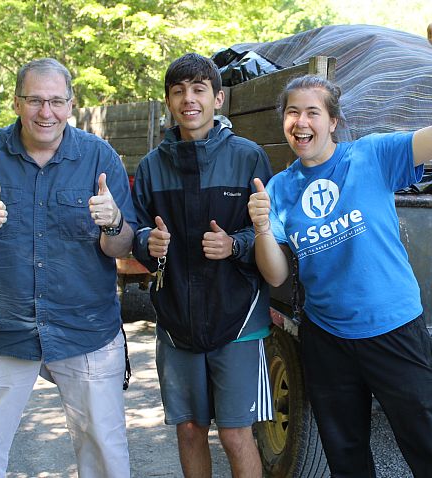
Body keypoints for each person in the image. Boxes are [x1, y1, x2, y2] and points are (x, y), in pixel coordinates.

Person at [247, 21, 432, 478]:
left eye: (312, 112)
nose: (301, 122)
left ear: (332, 121)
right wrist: (263, 229)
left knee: (431, 455)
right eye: (292, 113)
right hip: (327, 340)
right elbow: (274, 276)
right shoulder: (281, 188)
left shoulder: (372, 156)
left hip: (394, 331)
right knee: (346, 460)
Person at [0, 58, 136, 477]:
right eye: (34, 100)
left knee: (106, 454)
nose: (45, 112)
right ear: (16, 102)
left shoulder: (99, 157)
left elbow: (121, 246)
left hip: (87, 330)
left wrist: (114, 221)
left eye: (55, 101)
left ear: (71, 103)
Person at [131, 53, 273, 478]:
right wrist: (148, 243)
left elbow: (270, 231)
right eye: (178, 91)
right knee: (190, 430)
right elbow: (135, 233)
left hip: (239, 318)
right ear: (169, 102)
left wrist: (235, 244)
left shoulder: (249, 157)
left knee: (234, 433)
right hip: (176, 321)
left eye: (198, 90)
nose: (188, 99)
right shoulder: (152, 166)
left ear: (218, 99)